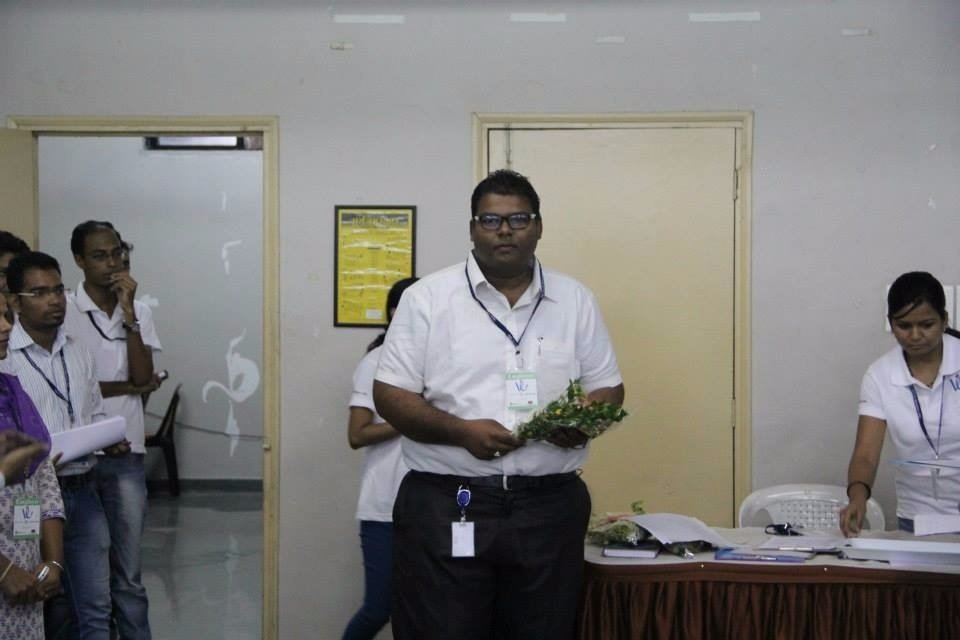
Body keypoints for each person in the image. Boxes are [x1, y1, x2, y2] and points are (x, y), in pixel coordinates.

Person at [373, 169, 624, 640]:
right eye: (491, 220)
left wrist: (583, 422)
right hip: (449, 501)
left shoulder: (575, 300)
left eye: (518, 219)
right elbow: (390, 395)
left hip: (548, 506)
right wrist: (459, 431)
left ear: (539, 226)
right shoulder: (428, 299)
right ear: (473, 229)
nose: (505, 231)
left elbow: (608, 388)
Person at [0, 251, 115, 639]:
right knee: (54, 610)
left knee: (93, 604)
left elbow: (89, 415)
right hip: (15, 518)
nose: (54, 300)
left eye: (58, 290)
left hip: (71, 492)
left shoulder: (73, 353)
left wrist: (52, 562)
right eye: (39, 292)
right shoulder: (10, 362)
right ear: (17, 300)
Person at [64, 221, 161, 640]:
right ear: (79, 260)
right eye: (100, 256)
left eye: (117, 253)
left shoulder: (139, 311)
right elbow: (71, 385)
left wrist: (130, 315)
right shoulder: (65, 310)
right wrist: (127, 388)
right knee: (87, 579)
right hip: (78, 457)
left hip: (127, 455)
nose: (112, 263)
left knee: (129, 577)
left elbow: (143, 377)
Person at [840, 271, 960, 536]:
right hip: (916, 517)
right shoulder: (880, 375)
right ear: (890, 323)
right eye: (904, 326)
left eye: (926, 325)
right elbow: (866, 455)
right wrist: (858, 497)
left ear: (944, 320)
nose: (915, 335)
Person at [342, 277, 418, 640]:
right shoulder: (377, 362)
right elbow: (357, 435)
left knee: (424, 609)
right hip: (384, 509)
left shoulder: (442, 363)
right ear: (393, 313)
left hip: (432, 507)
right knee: (379, 607)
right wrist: (414, 418)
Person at [0, 284, 66, 640]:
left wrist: (51, 562)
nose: (7, 326)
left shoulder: (12, 393)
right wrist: (4, 571)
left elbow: (45, 482)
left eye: (5, 315)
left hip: (28, 577)